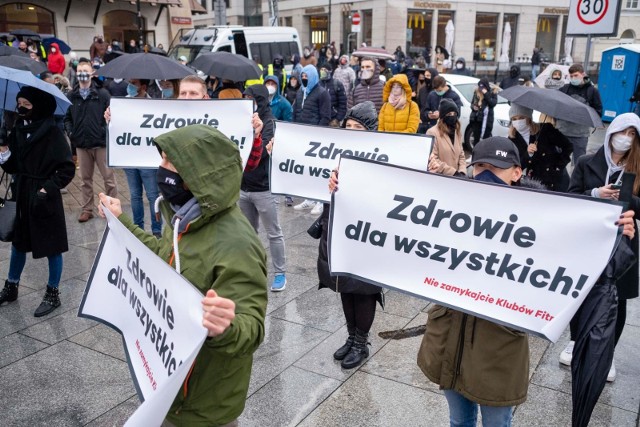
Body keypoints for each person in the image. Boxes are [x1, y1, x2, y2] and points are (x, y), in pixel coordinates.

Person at [98, 124, 268, 427]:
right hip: (170, 389)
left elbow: (251, 330)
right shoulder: (183, 216)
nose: (160, 168)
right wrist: (120, 221)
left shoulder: (238, 243)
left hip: (205, 402)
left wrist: (225, 326)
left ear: (198, 173)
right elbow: (163, 256)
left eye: (168, 161)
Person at [419, 136, 529, 427]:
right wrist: (346, 191)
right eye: (480, 166)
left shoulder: (537, 219)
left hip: (498, 345)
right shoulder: (454, 207)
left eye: (497, 167)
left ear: (517, 173)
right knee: (459, 420)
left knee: (496, 422)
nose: (487, 173)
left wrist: (618, 234)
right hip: (450, 335)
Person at [561, 112, 640, 381]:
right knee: (581, 290)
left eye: (632, 135)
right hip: (590, 237)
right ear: (611, 133)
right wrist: (596, 194)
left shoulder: (637, 167)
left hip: (623, 239)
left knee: (617, 298)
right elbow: (571, 197)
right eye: (622, 132)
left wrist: (627, 199)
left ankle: (608, 354)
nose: (625, 140)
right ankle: (575, 341)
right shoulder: (586, 162)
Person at [0, 87, 75, 317]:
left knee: (52, 246)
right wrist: (4, 151)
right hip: (22, 192)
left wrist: (46, 188)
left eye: (27, 104)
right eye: (19, 103)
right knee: (18, 243)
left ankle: (53, 293)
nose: (21, 107)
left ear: (38, 106)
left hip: (44, 196)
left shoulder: (52, 132)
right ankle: (11, 286)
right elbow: (13, 167)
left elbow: (67, 168)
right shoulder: (18, 130)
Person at [323, 101, 385, 369]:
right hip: (343, 231)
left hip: (369, 235)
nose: (351, 131)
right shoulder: (340, 156)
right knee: (345, 286)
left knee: (364, 290)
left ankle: (361, 342)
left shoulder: (383, 157)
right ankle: (351, 337)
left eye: (357, 127)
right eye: (348, 126)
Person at [240, 84, 287, 292]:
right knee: (248, 233)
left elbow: (263, 155)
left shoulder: (270, 123)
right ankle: (252, 269)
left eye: (251, 98)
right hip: (243, 187)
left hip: (264, 188)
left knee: (273, 233)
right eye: (245, 97)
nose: (248, 101)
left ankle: (280, 273)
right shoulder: (241, 119)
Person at [64, 59, 117, 223]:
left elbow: (112, 116)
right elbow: (67, 118)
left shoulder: (102, 94)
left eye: (85, 70)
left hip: (100, 143)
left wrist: (104, 131)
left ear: (92, 73)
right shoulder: (72, 96)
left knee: (109, 179)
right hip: (81, 143)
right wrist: (71, 132)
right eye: (79, 71)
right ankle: (87, 209)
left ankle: (112, 208)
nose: (82, 74)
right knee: (85, 180)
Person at [122, 78, 162, 237]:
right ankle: (138, 229)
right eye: (130, 82)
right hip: (129, 159)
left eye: (134, 83)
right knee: (135, 196)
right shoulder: (123, 104)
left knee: (153, 196)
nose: (130, 86)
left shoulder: (153, 106)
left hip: (148, 160)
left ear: (143, 87)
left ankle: (157, 230)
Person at [292, 65, 332, 215]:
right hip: (302, 137)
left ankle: (320, 201)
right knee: (307, 170)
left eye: (306, 77)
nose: (304, 80)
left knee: (318, 169)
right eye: (302, 77)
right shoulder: (300, 93)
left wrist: (317, 134)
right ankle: (309, 198)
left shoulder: (322, 93)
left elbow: (325, 116)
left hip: (316, 139)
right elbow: (296, 112)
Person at [508, 103, 573, 191]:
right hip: (536, 183)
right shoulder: (513, 139)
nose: (518, 122)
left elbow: (568, 146)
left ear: (528, 118)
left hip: (556, 180)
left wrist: (558, 166)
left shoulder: (545, 129)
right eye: (514, 119)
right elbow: (517, 166)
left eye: (522, 118)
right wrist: (527, 154)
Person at [557, 64, 603, 163]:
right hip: (562, 132)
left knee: (579, 163)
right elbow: (556, 106)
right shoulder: (565, 89)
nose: (573, 78)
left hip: (580, 135)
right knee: (558, 161)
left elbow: (598, 111)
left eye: (576, 75)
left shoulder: (592, 91)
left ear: (583, 74)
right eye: (571, 76)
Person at [426, 98, 467, 176]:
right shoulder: (432, 132)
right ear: (443, 116)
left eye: (454, 113)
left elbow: (461, 155)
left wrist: (462, 171)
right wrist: (453, 172)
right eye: (449, 114)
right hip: (441, 177)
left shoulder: (457, 131)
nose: (452, 116)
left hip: (458, 178)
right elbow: (433, 159)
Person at [469, 77, 498, 143]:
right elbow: (472, 103)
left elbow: (492, 103)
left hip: (487, 119)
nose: (481, 89)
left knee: (485, 139)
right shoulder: (476, 92)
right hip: (477, 119)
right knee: (476, 138)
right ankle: (475, 152)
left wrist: (486, 93)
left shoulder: (493, 92)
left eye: (483, 87)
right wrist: (473, 107)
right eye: (480, 87)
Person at [318, 63, 347, 127]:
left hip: (333, 120)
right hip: (320, 120)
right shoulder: (317, 84)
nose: (322, 71)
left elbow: (343, 104)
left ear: (330, 71)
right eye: (321, 69)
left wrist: (337, 119)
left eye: (324, 69)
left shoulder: (337, 84)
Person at [417, 68, 439, 133]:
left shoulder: (438, 91)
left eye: (428, 76)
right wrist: (418, 117)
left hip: (434, 124)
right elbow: (418, 105)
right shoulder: (422, 90)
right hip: (422, 123)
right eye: (425, 76)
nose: (426, 78)